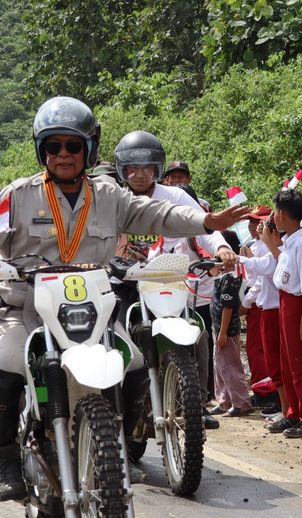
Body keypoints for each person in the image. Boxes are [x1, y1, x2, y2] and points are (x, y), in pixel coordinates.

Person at [0, 96, 247, 501]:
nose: (63, 155)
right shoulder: (17, 195)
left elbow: (159, 214)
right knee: (5, 368)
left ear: (89, 148)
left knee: (137, 363)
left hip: (93, 314)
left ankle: (117, 446)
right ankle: (3, 458)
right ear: (42, 149)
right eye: (53, 146)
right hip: (29, 309)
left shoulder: (110, 196)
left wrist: (206, 221)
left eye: (73, 146)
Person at [109, 130, 236, 429]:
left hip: (166, 282)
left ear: (158, 169)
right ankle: (112, 410)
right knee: (113, 342)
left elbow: (204, 225)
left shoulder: (175, 196)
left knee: (197, 333)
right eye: (133, 168)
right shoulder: (112, 198)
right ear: (122, 169)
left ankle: (196, 401)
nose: (140, 174)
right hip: (123, 283)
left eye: (147, 167)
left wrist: (221, 247)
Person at [262, 189, 302, 438]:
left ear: (283, 215)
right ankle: (294, 413)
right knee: (288, 363)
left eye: (276, 211)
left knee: (301, 364)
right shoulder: (288, 242)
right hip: (286, 302)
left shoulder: (301, 245)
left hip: (298, 305)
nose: (273, 216)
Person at [239, 206, 287, 417]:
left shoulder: (271, 248)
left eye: (258, 222)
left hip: (265, 304)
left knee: (265, 353)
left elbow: (260, 278)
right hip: (262, 304)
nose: (253, 226)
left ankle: (271, 395)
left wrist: (247, 301)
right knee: (259, 351)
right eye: (250, 221)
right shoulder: (256, 245)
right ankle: (266, 392)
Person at [207, 231, 251, 417]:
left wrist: (223, 332)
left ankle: (241, 402)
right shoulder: (222, 275)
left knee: (230, 366)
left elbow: (228, 307)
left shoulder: (230, 278)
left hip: (226, 329)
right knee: (220, 365)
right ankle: (224, 400)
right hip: (218, 328)